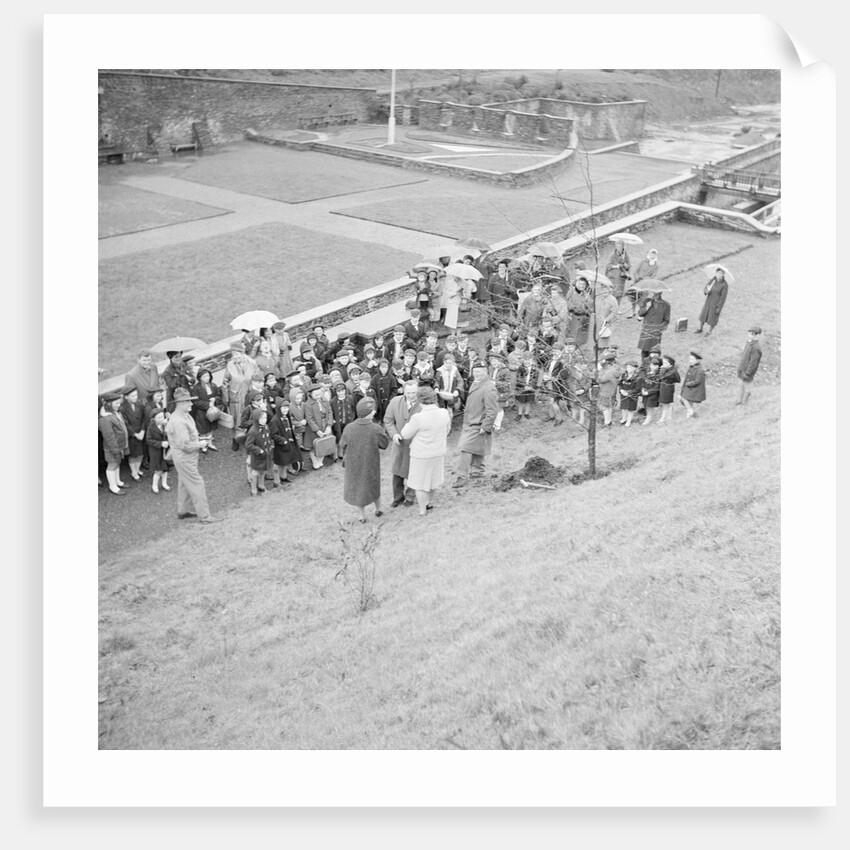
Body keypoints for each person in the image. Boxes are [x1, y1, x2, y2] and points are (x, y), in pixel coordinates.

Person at [164, 387, 221, 522]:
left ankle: (182, 511)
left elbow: (187, 439)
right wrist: (200, 444)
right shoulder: (179, 421)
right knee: (197, 484)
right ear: (180, 403)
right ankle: (205, 516)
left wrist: (199, 440)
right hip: (185, 458)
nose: (191, 404)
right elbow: (185, 445)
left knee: (184, 483)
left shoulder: (183, 415)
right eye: (188, 401)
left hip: (186, 457)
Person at [400, 385, 452, 516]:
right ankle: (429, 503)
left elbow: (405, 434)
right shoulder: (444, 413)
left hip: (421, 455)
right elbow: (447, 430)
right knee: (434, 480)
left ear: (419, 400)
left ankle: (422, 510)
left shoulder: (418, 418)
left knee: (419, 483)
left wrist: (407, 424)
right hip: (438, 452)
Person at [338, 398, 390, 523]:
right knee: (374, 485)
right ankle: (378, 509)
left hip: (353, 464)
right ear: (369, 412)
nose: (374, 412)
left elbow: (342, 444)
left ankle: (362, 516)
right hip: (370, 463)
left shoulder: (349, 427)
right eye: (373, 410)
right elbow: (384, 444)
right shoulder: (375, 428)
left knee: (357, 488)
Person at [453, 361, 500, 487]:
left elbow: (492, 410)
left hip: (478, 423)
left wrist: (485, 426)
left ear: (485, 372)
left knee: (465, 448)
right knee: (478, 447)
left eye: (479, 372)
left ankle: (461, 476)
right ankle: (477, 473)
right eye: (474, 372)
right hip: (470, 422)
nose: (476, 374)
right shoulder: (475, 382)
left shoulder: (489, 386)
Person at [383, 379, 421, 507]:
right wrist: (394, 434)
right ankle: (398, 497)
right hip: (399, 444)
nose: (411, 396)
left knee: (414, 471)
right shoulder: (395, 402)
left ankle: (410, 496)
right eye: (408, 393)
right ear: (404, 391)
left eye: (414, 393)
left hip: (416, 445)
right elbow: (388, 420)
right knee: (397, 471)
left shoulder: (423, 404)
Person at [221, 342, 257, 437]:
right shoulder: (230, 365)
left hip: (249, 394)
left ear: (242, 353)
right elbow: (225, 383)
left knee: (250, 415)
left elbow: (257, 377)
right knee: (237, 418)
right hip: (235, 396)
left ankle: (251, 435)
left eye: (237, 353)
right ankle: (237, 437)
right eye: (233, 354)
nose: (234, 356)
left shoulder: (252, 363)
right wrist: (226, 399)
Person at [99, 391, 130, 495]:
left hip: (119, 445)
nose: (119, 405)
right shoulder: (105, 419)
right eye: (116, 403)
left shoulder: (115, 412)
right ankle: (113, 487)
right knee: (112, 465)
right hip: (112, 448)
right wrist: (115, 449)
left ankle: (118, 482)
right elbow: (109, 437)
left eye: (119, 403)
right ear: (108, 404)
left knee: (117, 463)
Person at [268, 396, 299, 484]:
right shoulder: (275, 420)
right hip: (279, 445)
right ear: (279, 408)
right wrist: (283, 441)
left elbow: (290, 428)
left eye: (287, 408)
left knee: (285, 461)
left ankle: (283, 477)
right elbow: (273, 434)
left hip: (287, 444)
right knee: (277, 464)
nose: (286, 410)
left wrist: (294, 436)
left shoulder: (287, 417)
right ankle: (276, 482)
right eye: (284, 408)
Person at [245, 408, 276, 494]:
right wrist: (259, 450)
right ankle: (253, 489)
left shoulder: (266, 426)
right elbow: (248, 445)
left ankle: (261, 486)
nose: (264, 420)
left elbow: (268, 437)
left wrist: (271, 444)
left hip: (266, 454)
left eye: (265, 418)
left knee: (264, 471)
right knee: (255, 473)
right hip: (257, 456)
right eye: (262, 418)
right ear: (256, 419)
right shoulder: (253, 431)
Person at [304, 383, 335, 470]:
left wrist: (329, 425)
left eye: (319, 394)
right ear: (310, 394)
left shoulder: (325, 400)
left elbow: (330, 412)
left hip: (325, 425)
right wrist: (317, 430)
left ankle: (320, 460)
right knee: (314, 446)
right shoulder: (307, 404)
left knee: (324, 444)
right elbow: (309, 419)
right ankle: (315, 462)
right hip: (314, 428)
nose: (318, 396)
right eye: (316, 395)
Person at [119, 385, 146, 481]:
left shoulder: (139, 403)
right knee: (133, 455)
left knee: (141, 453)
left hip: (141, 433)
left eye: (136, 395)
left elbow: (144, 418)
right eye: (133, 396)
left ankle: (137, 469)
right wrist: (135, 434)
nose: (136, 398)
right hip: (132, 435)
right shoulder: (122, 408)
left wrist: (142, 430)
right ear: (126, 397)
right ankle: (133, 472)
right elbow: (125, 423)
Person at [191, 368, 222, 451]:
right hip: (201, 412)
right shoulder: (196, 389)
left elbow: (219, 395)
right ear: (200, 378)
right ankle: (203, 446)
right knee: (203, 430)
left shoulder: (214, 386)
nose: (207, 378)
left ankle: (210, 443)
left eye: (208, 376)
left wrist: (215, 399)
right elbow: (195, 401)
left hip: (212, 412)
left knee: (210, 429)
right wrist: (208, 404)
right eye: (204, 376)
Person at [637, 290, 671, 359]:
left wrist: (659, 328)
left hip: (656, 333)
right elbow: (640, 313)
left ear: (660, 293)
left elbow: (666, 320)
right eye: (653, 292)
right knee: (644, 351)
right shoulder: (647, 301)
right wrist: (647, 307)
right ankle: (644, 366)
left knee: (654, 352)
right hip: (646, 331)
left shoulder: (666, 305)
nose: (654, 294)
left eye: (656, 293)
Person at [696, 267, 729, 336]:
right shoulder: (713, 280)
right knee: (703, 315)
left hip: (715, 303)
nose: (718, 274)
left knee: (712, 318)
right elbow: (706, 287)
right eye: (717, 273)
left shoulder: (725, 285)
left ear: (723, 275)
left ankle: (709, 331)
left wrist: (719, 307)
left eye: (720, 273)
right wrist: (706, 291)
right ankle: (700, 328)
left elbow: (723, 298)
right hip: (708, 301)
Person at [145, 407, 171, 493]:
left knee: (165, 469)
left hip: (164, 450)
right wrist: (160, 444)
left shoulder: (164, 425)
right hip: (155, 452)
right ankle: (154, 485)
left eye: (162, 417)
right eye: (159, 418)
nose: (161, 419)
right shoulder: (151, 428)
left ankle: (164, 483)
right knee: (158, 470)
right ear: (153, 419)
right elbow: (148, 440)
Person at [630, 248, 662, 318]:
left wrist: (645, 279)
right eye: (651, 254)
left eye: (654, 255)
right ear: (649, 254)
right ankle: (633, 312)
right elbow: (635, 270)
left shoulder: (656, 265)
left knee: (643, 299)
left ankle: (640, 314)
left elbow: (653, 276)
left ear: (656, 256)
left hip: (646, 284)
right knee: (633, 297)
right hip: (637, 282)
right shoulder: (642, 261)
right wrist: (636, 277)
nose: (652, 256)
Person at [736, 326, 763, 405]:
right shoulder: (749, 343)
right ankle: (739, 401)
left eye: (753, 334)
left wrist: (748, 373)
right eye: (750, 333)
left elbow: (753, 363)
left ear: (758, 335)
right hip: (742, 368)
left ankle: (744, 404)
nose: (751, 335)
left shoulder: (756, 347)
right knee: (741, 386)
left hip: (747, 372)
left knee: (747, 388)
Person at [330, 381, 356, 459]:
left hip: (348, 421)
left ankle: (349, 449)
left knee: (348, 434)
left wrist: (352, 416)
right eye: (338, 391)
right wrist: (334, 421)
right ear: (335, 392)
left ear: (345, 390)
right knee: (339, 436)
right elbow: (331, 412)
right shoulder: (333, 401)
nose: (341, 393)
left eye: (342, 390)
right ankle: (340, 451)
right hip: (338, 423)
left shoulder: (350, 398)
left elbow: (353, 408)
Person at [605, 240, 632, 309]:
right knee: (613, 293)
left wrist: (625, 264)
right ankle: (611, 307)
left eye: (620, 246)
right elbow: (608, 266)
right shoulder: (612, 255)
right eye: (617, 245)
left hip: (621, 277)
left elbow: (628, 266)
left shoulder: (625, 255)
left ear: (623, 246)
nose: (619, 247)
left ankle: (617, 308)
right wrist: (616, 266)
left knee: (620, 293)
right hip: (613, 277)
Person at [566, 276, 592, 347]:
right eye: (580, 284)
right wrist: (572, 307)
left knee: (580, 334)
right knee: (572, 333)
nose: (582, 286)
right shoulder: (572, 291)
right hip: (573, 315)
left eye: (583, 285)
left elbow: (590, 305)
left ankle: (578, 347)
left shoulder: (586, 294)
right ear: (577, 284)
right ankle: (570, 346)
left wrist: (587, 304)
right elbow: (567, 300)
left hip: (582, 317)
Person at [597, 352, 621, 427]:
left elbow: (601, 380)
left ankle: (607, 422)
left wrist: (599, 371)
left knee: (604, 406)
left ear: (607, 362)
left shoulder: (610, 371)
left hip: (606, 392)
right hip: (611, 391)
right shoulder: (615, 368)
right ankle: (609, 421)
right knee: (609, 406)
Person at [514, 349, 540, 421]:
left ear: (532, 359)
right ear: (523, 359)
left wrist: (531, 386)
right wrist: (524, 386)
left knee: (528, 401)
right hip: (522, 387)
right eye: (525, 359)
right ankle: (519, 413)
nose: (527, 361)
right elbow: (519, 378)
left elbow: (535, 378)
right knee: (521, 401)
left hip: (530, 388)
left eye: (528, 359)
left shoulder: (535, 368)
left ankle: (526, 413)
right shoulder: (521, 368)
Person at [680, 351, 707, 418]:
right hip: (689, 387)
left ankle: (691, 411)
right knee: (689, 400)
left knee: (684, 398)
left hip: (694, 388)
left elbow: (697, 380)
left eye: (692, 359)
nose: (690, 361)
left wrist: (689, 384)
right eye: (690, 359)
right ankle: (689, 415)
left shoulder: (699, 369)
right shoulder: (692, 367)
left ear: (697, 360)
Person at [617, 360, 642, 427]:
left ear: (635, 368)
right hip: (623, 394)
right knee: (623, 407)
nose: (629, 369)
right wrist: (621, 390)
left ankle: (629, 420)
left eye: (631, 367)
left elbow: (637, 389)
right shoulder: (624, 375)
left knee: (631, 408)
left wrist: (628, 393)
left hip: (632, 395)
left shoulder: (638, 377)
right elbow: (620, 383)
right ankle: (624, 418)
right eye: (628, 367)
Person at [657, 355, 680, 423]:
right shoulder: (668, 369)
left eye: (666, 363)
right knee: (666, 402)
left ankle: (662, 418)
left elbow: (661, 377)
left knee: (665, 403)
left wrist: (663, 369)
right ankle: (669, 417)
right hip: (663, 387)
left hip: (668, 388)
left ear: (671, 364)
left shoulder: (672, 371)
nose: (664, 365)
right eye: (663, 363)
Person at [640, 357, 662, 425]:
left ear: (659, 366)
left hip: (652, 394)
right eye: (652, 365)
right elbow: (644, 381)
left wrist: (648, 392)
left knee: (650, 406)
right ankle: (648, 417)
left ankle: (648, 419)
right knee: (645, 405)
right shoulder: (648, 373)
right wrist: (643, 388)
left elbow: (657, 387)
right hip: (645, 392)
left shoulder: (658, 376)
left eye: (655, 365)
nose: (653, 367)